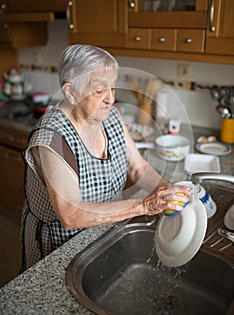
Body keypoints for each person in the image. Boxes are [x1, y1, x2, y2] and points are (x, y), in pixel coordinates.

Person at [21, 44, 192, 271]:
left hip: (104, 233)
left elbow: (138, 169)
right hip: (59, 248)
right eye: (99, 90)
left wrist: (168, 193)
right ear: (71, 92)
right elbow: (70, 215)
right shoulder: (52, 138)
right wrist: (143, 205)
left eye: (113, 87)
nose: (110, 99)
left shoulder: (110, 115)